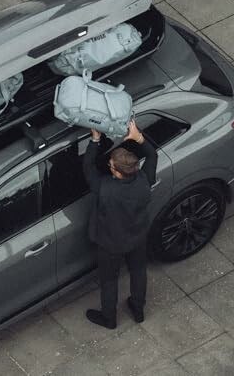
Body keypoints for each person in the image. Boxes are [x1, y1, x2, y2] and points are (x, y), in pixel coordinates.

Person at [83, 119, 158, 329]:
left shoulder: (104, 188)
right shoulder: (145, 179)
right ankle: (138, 309)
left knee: (109, 281)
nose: (109, 167)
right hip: (137, 237)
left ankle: (109, 318)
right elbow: (152, 155)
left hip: (110, 243)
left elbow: (88, 167)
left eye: (111, 166)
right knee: (138, 271)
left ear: (116, 171)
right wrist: (138, 137)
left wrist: (95, 139)